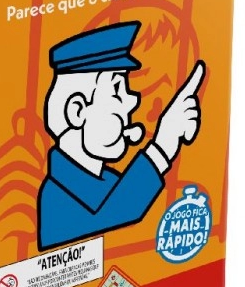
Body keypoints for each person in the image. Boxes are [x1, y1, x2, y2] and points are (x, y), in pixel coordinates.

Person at [37, 21, 205, 250]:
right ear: (77, 111)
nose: (133, 101)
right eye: (117, 90)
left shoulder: (109, 179)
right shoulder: (57, 195)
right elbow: (115, 215)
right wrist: (163, 146)